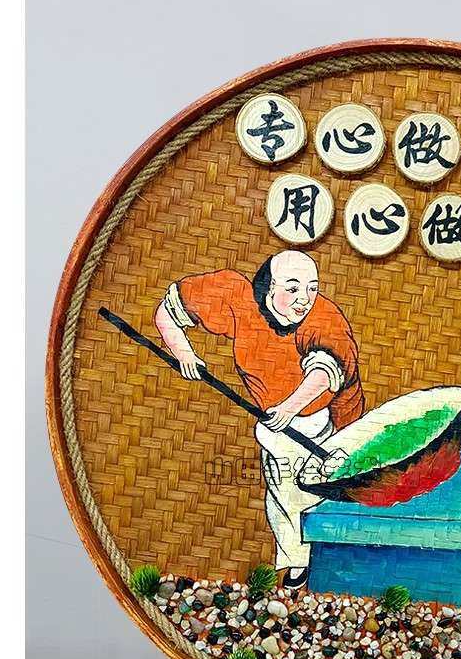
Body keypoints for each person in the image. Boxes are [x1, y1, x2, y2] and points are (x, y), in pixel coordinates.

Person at [154, 250, 364, 588]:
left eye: (312, 288)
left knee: (304, 491)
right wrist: (184, 354)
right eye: (292, 289)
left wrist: (289, 408)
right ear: (267, 287)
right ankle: (296, 562)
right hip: (274, 426)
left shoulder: (324, 317)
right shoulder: (235, 295)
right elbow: (167, 311)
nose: (304, 299)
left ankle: (312, 561)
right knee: (281, 492)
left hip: (321, 421)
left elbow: (324, 374)